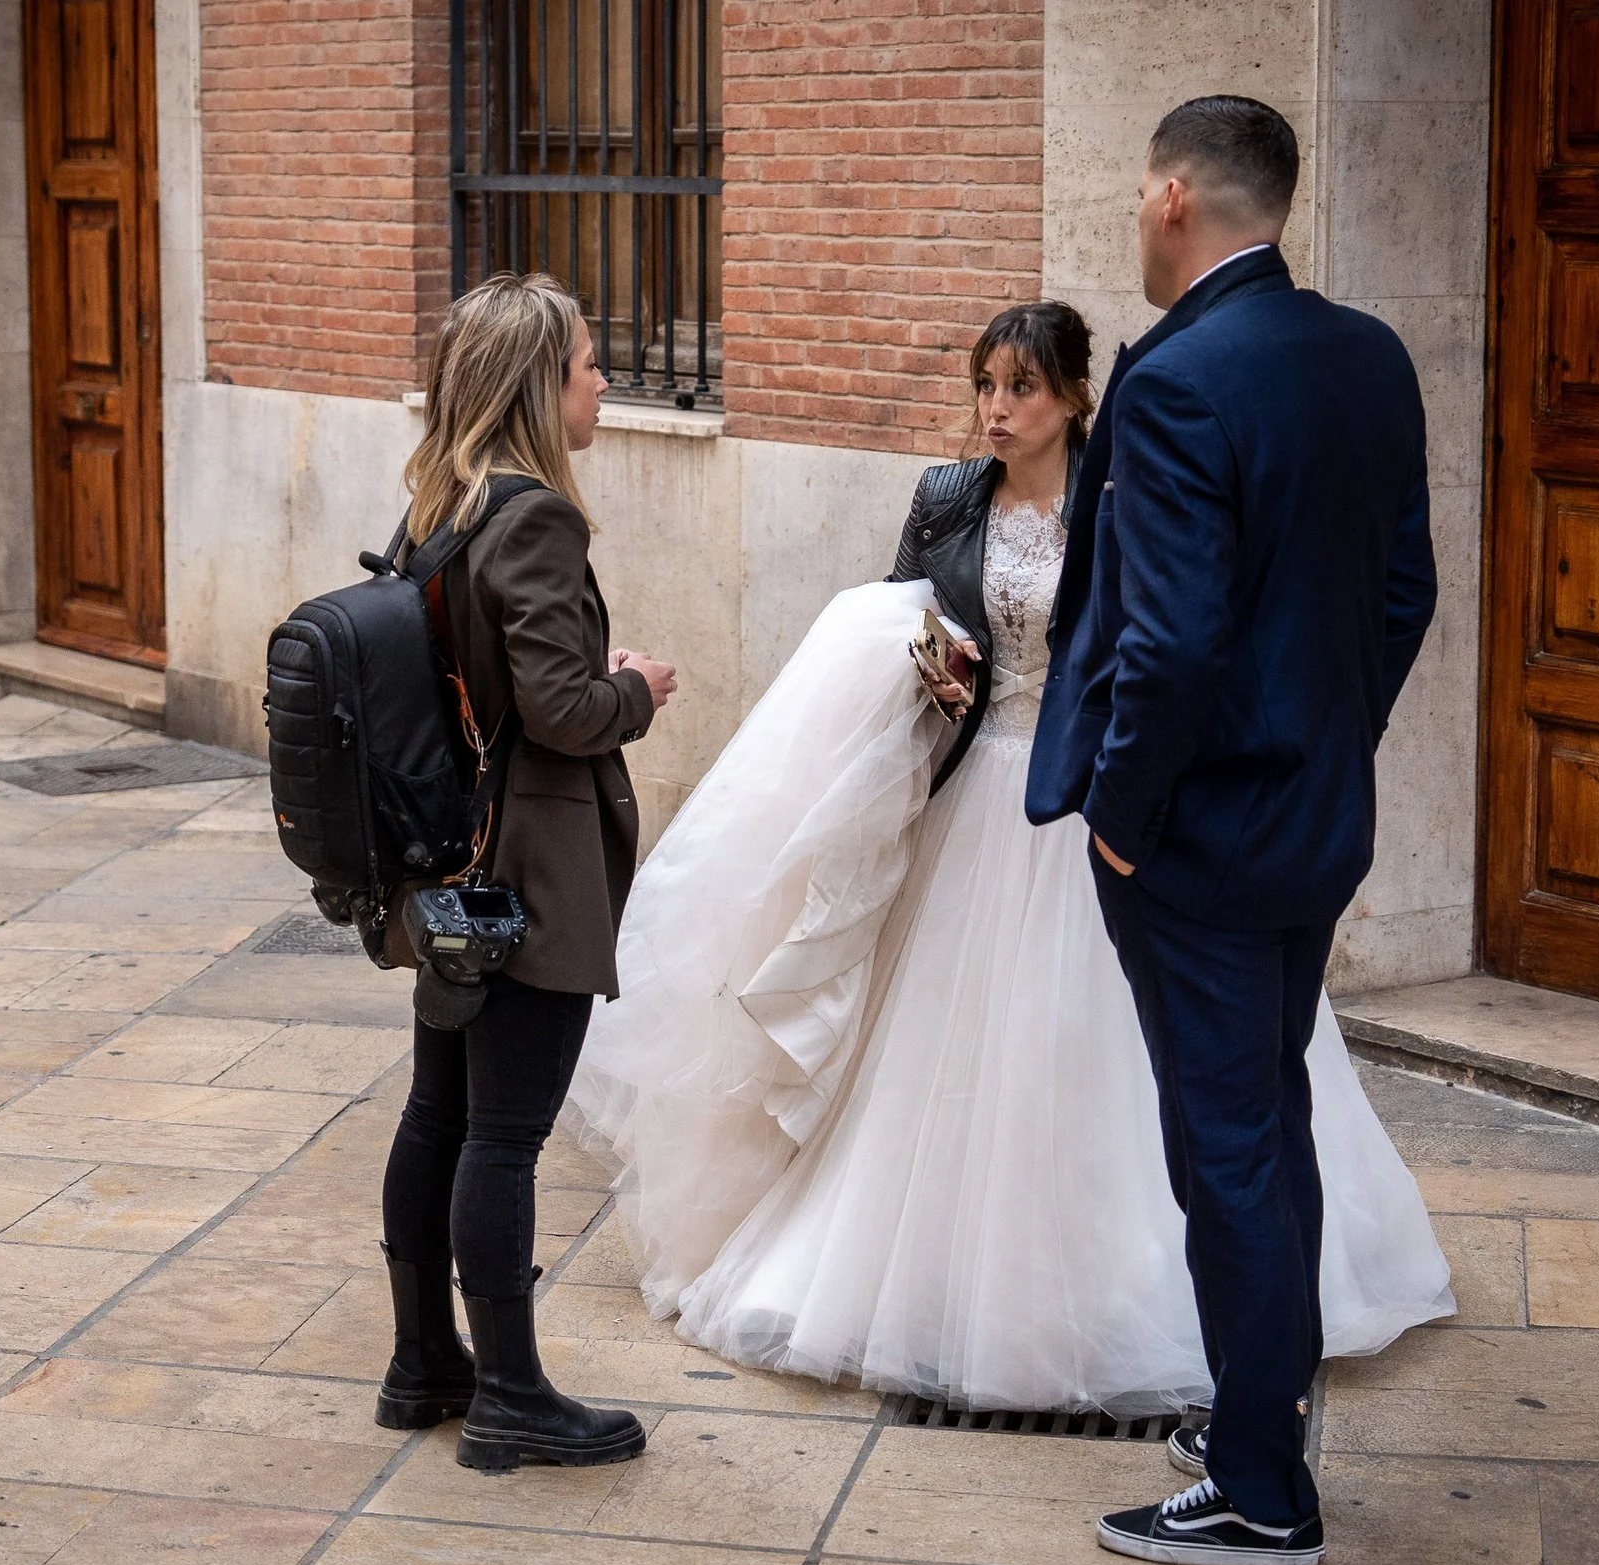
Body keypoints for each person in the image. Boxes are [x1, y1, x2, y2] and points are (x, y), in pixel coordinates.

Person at [568, 300, 1449, 1429]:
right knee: (945, 1051)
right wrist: (931, 671)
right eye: (984, 384)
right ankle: (940, 1275)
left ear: (1074, 398)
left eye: (1021, 388)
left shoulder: (1124, 494)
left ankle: (1173, 1305)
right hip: (972, 788)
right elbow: (899, 618)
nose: (995, 408)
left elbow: (1169, 636)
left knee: (1110, 1058)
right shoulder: (945, 498)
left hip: (1092, 799)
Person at [1028, 97, 1440, 1565]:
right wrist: (1327, 745)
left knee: (1229, 1150)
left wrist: (1127, 820)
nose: (1137, 216)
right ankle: (1264, 1407)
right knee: (1271, 1120)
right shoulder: (1368, 355)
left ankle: (1263, 1487)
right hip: (1316, 823)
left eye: (1142, 193)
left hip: (1197, 842)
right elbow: (1404, 597)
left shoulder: (1185, 376)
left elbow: (1174, 641)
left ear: (1178, 194)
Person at [373, 272, 678, 1473]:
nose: (603, 380)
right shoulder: (535, 515)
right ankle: (508, 1393)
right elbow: (558, 708)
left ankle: (422, 1362)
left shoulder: (435, 506)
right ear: (539, 388)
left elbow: (486, 680)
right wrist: (636, 691)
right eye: (589, 363)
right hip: (528, 874)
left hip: (449, 863)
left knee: (436, 1112)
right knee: (501, 1136)